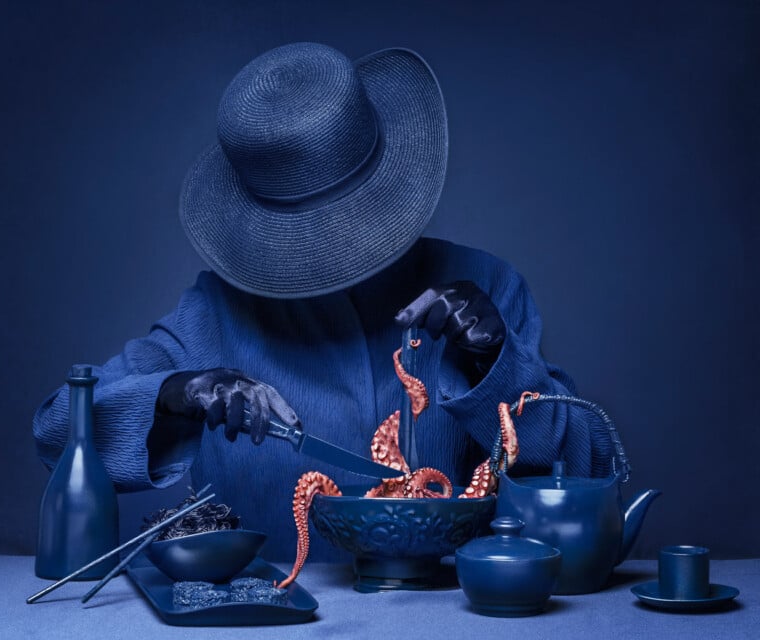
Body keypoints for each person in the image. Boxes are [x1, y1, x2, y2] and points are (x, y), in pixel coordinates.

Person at [33, 42, 611, 562]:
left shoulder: (486, 285)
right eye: (312, 228)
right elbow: (57, 431)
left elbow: (590, 471)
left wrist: (495, 364)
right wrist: (178, 392)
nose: (338, 249)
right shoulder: (213, 313)